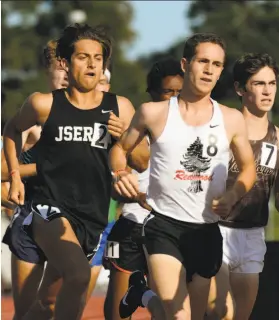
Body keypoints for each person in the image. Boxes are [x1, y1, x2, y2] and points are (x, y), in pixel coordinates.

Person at [4, 23, 149, 320]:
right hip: (47, 209)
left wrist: (125, 138)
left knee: (47, 305)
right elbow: (12, 129)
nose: (92, 63)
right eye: (83, 57)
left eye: (98, 58)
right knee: (80, 277)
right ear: (67, 63)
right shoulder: (43, 104)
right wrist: (17, 177)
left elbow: (143, 161)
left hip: (92, 216)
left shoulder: (120, 107)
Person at [109, 33, 256, 320]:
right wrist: (119, 172)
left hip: (206, 231)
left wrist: (233, 194)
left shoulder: (231, 119)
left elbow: (248, 168)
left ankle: (142, 294)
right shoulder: (153, 112)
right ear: (186, 64)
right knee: (179, 316)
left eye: (216, 64)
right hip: (163, 226)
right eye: (203, 61)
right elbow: (120, 148)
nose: (209, 69)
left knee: (186, 315)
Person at [104, 58, 184, 320]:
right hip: (130, 226)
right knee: (116, 313)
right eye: (167, 91)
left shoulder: (194, 131)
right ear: (152, 93)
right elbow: (128, 175)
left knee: (169, 309)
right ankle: (138, 294)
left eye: (179, 93)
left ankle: (143, 295)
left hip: (169, 228)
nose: (173, 99)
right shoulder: (134, 126)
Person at [206, 53, 279, 320]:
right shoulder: (221, 128)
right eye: (259, 83)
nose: (267, 90)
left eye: (272, 83)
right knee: (220, 312)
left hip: (252, 235)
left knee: (241, 316)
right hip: (215, 230)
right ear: (239, 88)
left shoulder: (278, 138)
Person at [1, 39, 68, 320]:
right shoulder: (33, 119)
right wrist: (34, 172)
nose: (67, 74)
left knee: (61, 311)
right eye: (59, 67)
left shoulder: (95, 118)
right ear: (47, 69)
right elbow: (2, 172)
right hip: (32, 223)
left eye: (71, 66)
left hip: (76, 225)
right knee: (27, 313)